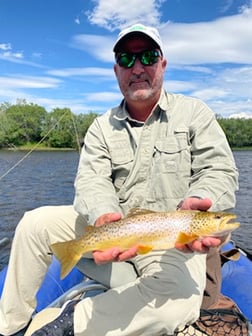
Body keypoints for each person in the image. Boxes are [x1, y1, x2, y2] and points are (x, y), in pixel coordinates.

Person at [0, 23, 238, 336]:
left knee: (178, 304)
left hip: (171, 247)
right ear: (116, 71)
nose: (137, 67)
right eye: (127, 59)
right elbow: (91, 180)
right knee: (34, 223)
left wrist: (205, 199)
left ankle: (68, 325)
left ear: (162, 64)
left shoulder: (195, 113)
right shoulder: (101, 127)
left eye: (147, 56)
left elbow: (218, 170)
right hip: (114, 234)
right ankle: (10, 328)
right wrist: (102, 214)